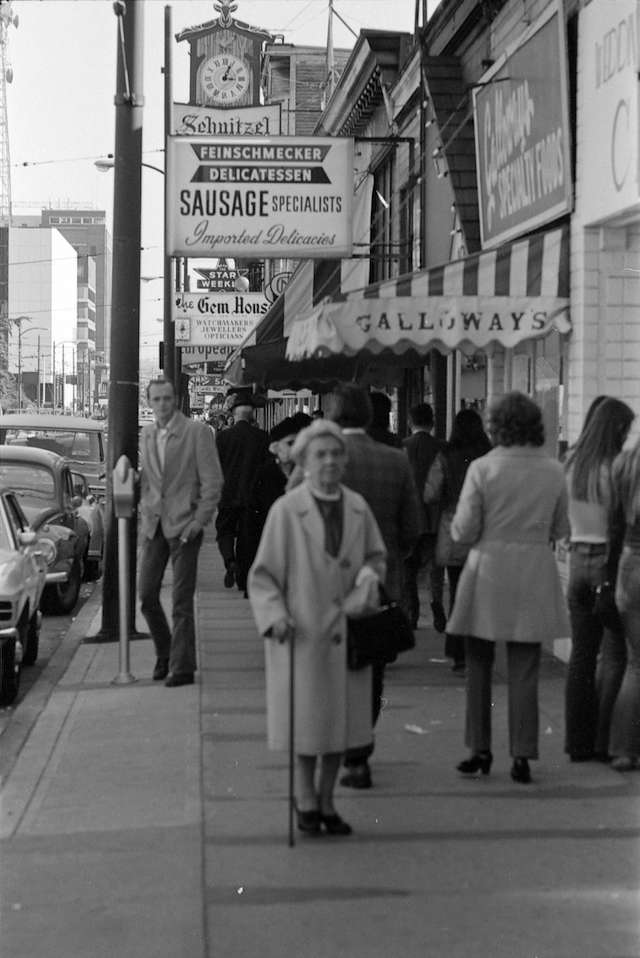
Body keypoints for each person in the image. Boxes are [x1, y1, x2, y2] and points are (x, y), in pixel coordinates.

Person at [248, 419, 387, 836]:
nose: (329, 461)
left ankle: (327, 802)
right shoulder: (286, 511)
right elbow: (264, 575)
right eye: (320, 454)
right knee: (307, 726)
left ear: (345, 460)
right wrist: (274, 617)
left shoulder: (359, 508)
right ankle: (306, 797)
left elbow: (376, 557)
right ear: (304, 462)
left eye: (335, 454)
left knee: (340, 728)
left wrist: (368, 577)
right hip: (302, 632)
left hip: (348, 631)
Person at [448, 392, 569, 784]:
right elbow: (562, 529)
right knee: (525, 665)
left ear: (496, 426)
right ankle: (522, 754)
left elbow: (465, 529)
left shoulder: (483, 468)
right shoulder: (553, 471)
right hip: (534, 566)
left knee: (479, 662)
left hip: (489, 567)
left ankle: (479, 748)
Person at [323, 383, 420, 789]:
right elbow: (412, 527)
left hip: (327, 582)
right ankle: (359, 755)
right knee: (371, 669)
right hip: (379, 581)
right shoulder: (395, 460)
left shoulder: (322, 459)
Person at [138, 376, 223, 687]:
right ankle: (164, 652)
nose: (162, 404)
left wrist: (198, 521)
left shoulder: (196, 432)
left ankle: (182, 667)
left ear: (176, 400)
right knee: (146, 595)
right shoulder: (147, 434)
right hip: (154, 526)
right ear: (149, 402)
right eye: (156, 399)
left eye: (167, 398)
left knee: (181, 600)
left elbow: (213, 482)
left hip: (185, 525)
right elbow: (148, 480)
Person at [563, 397, 634, 762]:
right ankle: (603, 741)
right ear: (616, 429)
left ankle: (577, 742)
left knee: (581, 655)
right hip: (609, 564)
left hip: (577, 560)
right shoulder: (616, 468)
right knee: (615, 654)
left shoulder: (572, 464)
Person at [423, 408, 492, 672]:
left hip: (453, 527)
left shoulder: (446, 456)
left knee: (458, 589)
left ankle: (458, 649)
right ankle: (479, 649)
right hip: (486, 530)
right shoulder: (488, 457)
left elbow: (430, 493)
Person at [215, 395, 269, 594]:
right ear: (252, 414)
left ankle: (229, 560)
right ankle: (244, 578)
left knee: (225, 530)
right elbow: (267, 467)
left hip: (228, 493)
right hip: (253, 496)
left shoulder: (223, 437)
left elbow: (215, 466)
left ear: (233, 415)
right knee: (248, 537)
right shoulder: (263, 437)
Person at [245, 412, 311, 573]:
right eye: (290, 443)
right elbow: (252, 521)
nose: (295, 448)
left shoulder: (311, 474)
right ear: (276, 446)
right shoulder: (265, 473)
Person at [608, 440, 640, 770]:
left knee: (636, 664)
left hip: (630, 565)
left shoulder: (625, 464)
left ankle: (623, 749)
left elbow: (614, 524)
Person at [402, 402, 446, 631]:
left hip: (410, 518)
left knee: (408, 567)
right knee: (435, 566)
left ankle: (412, 612)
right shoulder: (443, 447)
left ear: (410, 422)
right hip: (436, 517)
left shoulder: (402, 447)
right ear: (433, 422)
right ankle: (437, 604)